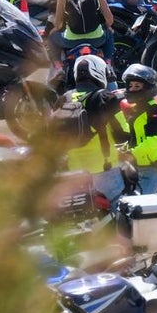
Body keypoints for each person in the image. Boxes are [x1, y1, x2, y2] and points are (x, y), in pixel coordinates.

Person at [64, 55, 129, 206]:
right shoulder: (105, 97)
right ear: (99, 72)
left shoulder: (65, 98)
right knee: (120, 213)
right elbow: (123, 135)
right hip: (103, 169)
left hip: (73, 171)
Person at [114, 64, 157, 195]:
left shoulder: (154, 108)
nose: (132, 89)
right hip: (137, 163)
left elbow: (152, 141)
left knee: (138, 204)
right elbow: (135, 137)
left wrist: (130, 154)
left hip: (152, 165)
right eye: (130, 86)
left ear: (148, 87)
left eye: (137, 86)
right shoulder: (137, 107)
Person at [51, 0, 115, 68]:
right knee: (109, 33)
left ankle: (58, 65)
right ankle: (108, 62)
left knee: (52, 37)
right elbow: (110, 20)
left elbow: (58, 24)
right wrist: (107, 26)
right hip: (97, 40)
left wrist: (54, 30)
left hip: (70, 41)